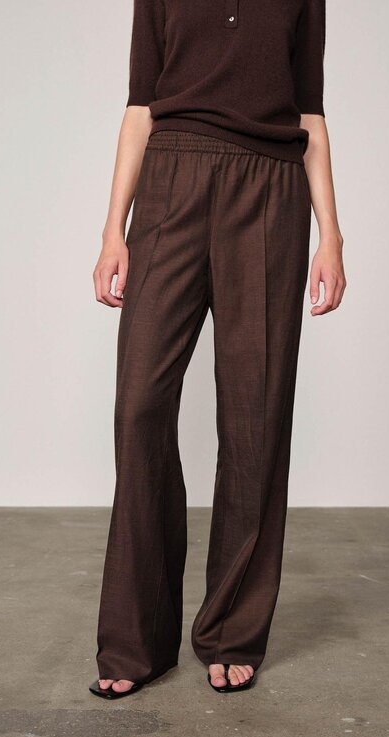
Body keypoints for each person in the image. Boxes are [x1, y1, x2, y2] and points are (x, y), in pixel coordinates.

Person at [90, 0, 345, 698]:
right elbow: (140, 106)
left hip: (269, 193)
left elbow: (310, 114)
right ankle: (136, 640)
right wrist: (114, 230)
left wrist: (331, 234)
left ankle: (232, 631)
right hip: (170, 184)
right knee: (139, 406)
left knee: (254, 417)